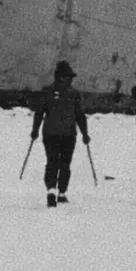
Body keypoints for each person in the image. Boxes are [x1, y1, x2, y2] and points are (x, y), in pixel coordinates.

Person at [31, 60, 91, 207]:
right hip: (62, 135)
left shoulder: (55, 92)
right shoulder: (68, 93)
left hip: (57, 134)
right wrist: (85, 134)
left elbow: (40, 113)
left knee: (56, 162)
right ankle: (58, 192)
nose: (71, 80)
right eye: (69, 77)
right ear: (61, 77)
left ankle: (56, 191)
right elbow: (79, 115)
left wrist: (35, 130)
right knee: (61, 163)